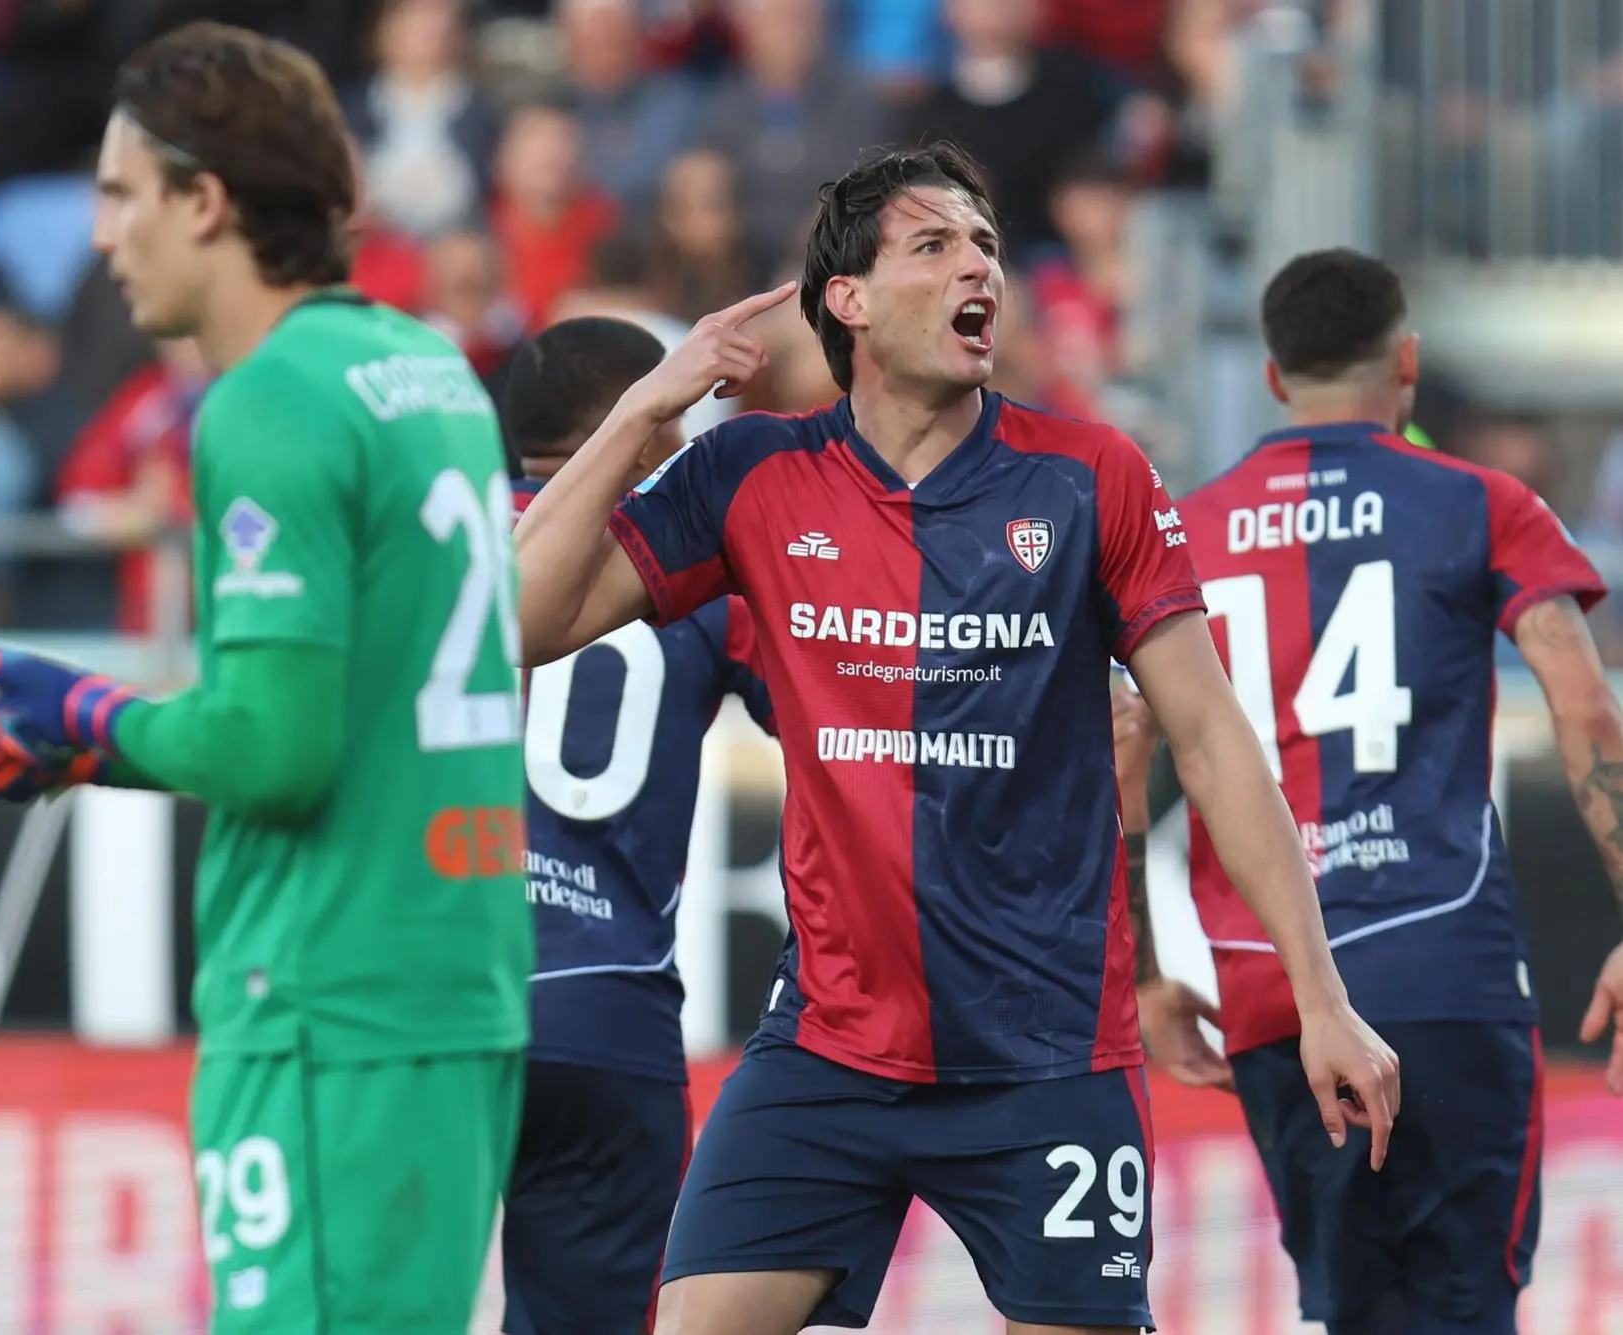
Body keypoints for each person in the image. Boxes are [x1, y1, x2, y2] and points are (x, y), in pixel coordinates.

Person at [514, 140, 1400, 1335]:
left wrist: (1321, 995)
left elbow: (1209, 738)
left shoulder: (1089, 476)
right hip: (825, 1050)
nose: (978, 265)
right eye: (933, 245)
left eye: (985, 244)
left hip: (1046, 1062)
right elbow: (520, 622)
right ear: (850, 300)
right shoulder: (750, 472)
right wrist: (640, 410)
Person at [0, 22, 530, 1333]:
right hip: (456, 977)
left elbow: (271, 750)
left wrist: (84, 720)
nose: (100, 236)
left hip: (320, 996)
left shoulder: (267, 401)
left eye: (122, 193)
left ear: (205, 200)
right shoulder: (428, 369)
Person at [1115, 247, 1623, 1335]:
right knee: (1463, 1307)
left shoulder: (1183, 531)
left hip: (1268, 989)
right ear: (1406, 362)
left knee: (1357, 1313)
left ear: (1271, 377)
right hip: (1443, 968)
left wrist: (1146, 978)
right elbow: (1586, 707)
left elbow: (1118, 750)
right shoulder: (1480, 501)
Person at [499, 315, 773, 1335]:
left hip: (430, 990)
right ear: (645, 429)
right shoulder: (690, 568)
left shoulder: (426, 546)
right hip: (606, 1010)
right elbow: (841, 723)